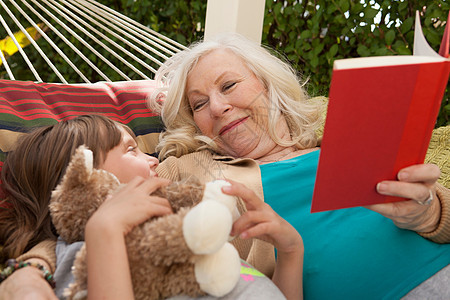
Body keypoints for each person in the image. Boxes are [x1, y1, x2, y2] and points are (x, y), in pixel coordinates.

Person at [145, 33, 450, 299]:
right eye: (198, 104)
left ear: (267, 84)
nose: (216, 106)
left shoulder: (342, 145)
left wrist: (429, 211)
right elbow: (118, 170)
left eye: (228, 85)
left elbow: (436, 209)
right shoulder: (190, 168)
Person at [0, 114, 301, 299]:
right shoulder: (83, 254)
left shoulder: (180, 233)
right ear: (85, 177)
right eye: (130, 149)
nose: (154, 159)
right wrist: (105, 229)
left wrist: (290, 252)